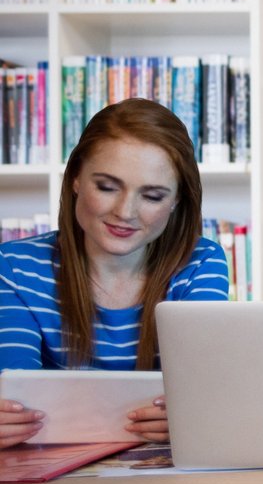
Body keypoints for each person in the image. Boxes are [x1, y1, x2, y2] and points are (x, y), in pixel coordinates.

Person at [0, 98, 231, 448]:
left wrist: (195, 415)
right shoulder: (14, 267)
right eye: (107, 187)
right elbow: (17, 395)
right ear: (75, 178)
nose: (125, 211)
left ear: (177, 201)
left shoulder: (199, 262)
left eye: (152, 196)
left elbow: (200, 390)